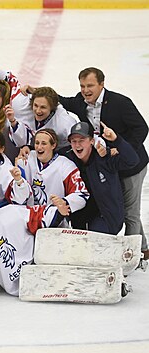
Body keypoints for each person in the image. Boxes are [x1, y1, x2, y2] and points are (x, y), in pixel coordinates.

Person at [59, 67, 148, 258]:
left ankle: (132, 254)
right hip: (107, 162)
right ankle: (144, 247)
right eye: (82, 86)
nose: (85, 90)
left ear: (102, 84)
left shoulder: (121, 103)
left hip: (131, 164)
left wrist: (120, 147)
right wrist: (35, 92)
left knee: (129, 212)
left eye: (90, 85)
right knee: (120, 205)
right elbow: (63, 101)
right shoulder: (81, 102)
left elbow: (142, 129)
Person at [0, 190, 69, 301]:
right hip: (17, 286)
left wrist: (58, 212)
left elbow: (36, 216)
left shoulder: (11, 212)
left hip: (38, 265)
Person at [66, 122, 139, 235]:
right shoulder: (67, 159)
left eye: (81, 140)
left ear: (91, 141)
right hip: (81, 215)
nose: (77, 145)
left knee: (96, 238)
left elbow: (132, 161)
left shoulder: (104, 157)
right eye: (74, 141)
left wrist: (116, 140)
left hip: (106, 215)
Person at [16, 129, 89, 224]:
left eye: (44, 143)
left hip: (54, 219)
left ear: (53, 145)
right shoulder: (26, 159)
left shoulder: (65, 165)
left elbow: (82, 194)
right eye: (37, 143)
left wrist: (65, 202)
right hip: (28, 217)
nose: (39, 147)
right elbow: (17, 194)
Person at [8, 86, 77, 151]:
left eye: (43, 107)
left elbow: (78, 143)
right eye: (35, 105)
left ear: (52, 108)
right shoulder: (21, 104)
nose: (38, 111)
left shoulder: (65, 124)